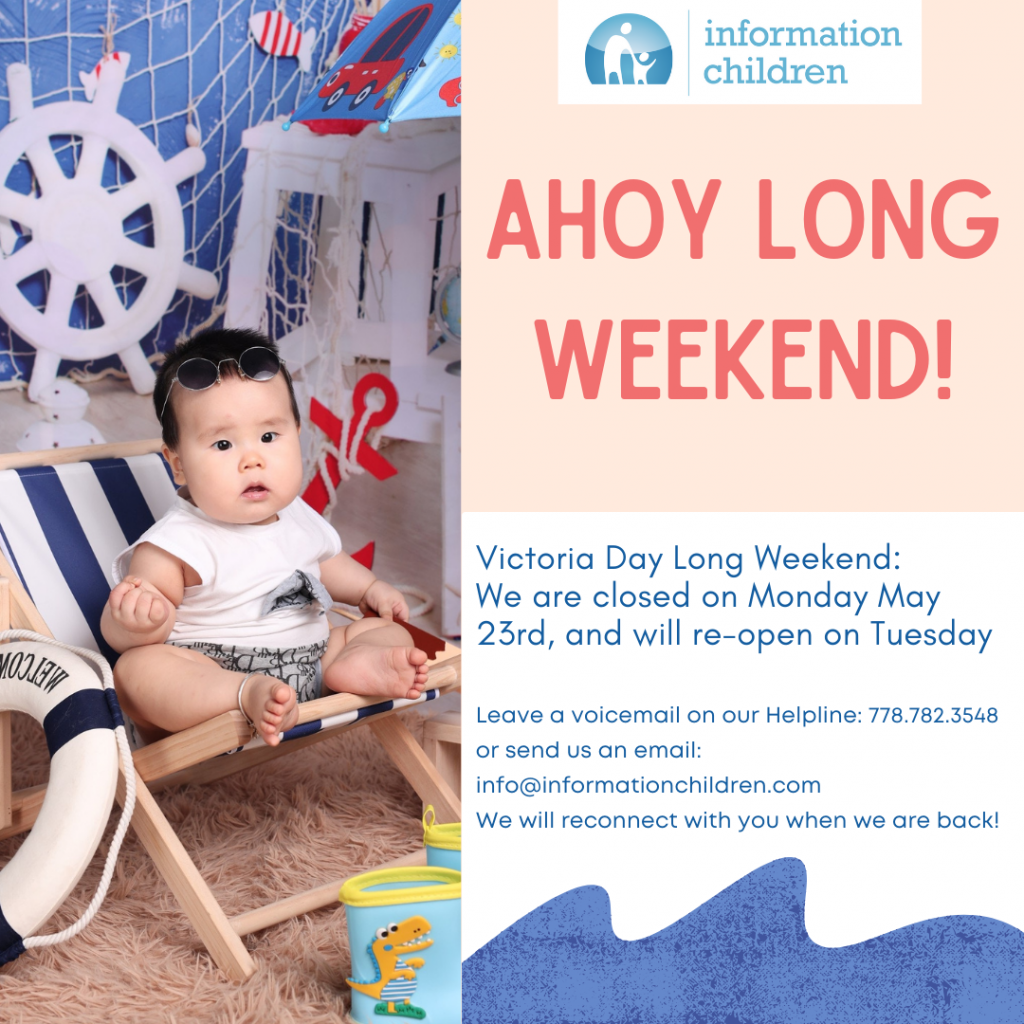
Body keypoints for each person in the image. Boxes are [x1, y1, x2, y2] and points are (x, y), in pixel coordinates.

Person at [100, 327, 428, 747]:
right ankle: (246, 693)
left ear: (297, 432)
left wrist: (370, 586)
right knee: (136, 671)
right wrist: (133, 622)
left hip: (313, 658)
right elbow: (133, 626)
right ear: (178, 464)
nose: (252, 459)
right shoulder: (175, 543)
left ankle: (354, 664)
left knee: (384, 630)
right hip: (214, 677)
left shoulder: (297, 515)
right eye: (222, 444)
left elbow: (327, 563)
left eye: (269, 437)